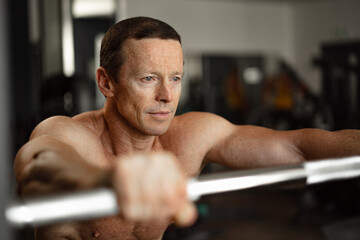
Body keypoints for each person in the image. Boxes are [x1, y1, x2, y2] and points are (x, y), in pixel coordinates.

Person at [14, 16, 360, 240]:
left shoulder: (190, 136)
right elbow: (37, 168)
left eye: (175, 79)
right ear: (107, 83)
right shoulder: (67, 135)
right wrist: (105, 180)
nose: (166, 96)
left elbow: (298, 148)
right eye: (148, 78)